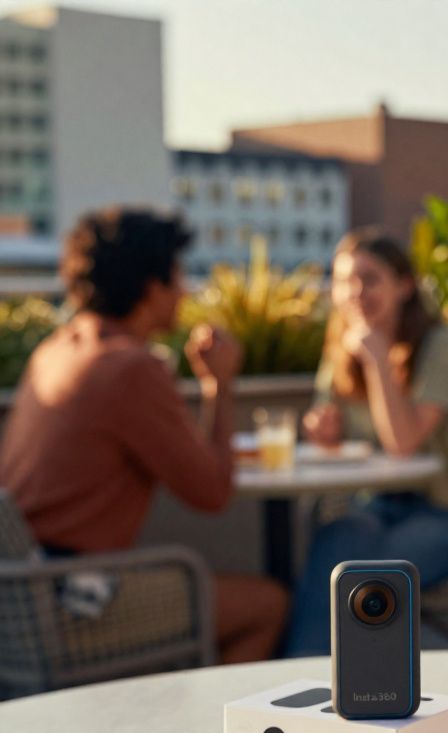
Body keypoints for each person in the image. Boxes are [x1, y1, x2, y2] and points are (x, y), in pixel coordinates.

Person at [0, 207, 287, 664]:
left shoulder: (56, 351)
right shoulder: (129, 368)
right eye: (178, 277)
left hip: (18, 600)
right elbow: (212, 492)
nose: (185, 291)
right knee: (267, 606)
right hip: (74, 598)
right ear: (153, 289)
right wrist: (219, 384)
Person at [283, 227, 448, 656]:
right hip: (376, 505)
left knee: (363, 576)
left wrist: (377, 360)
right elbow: (325, 427)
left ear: (404, 286)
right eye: (344, 280)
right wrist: (323, 429)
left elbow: (403, 443)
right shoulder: (341, 346)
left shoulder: (441, 344)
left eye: (369, 279)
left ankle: (346, 677)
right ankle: (302, 672)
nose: (355, 292)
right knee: (335, 546)